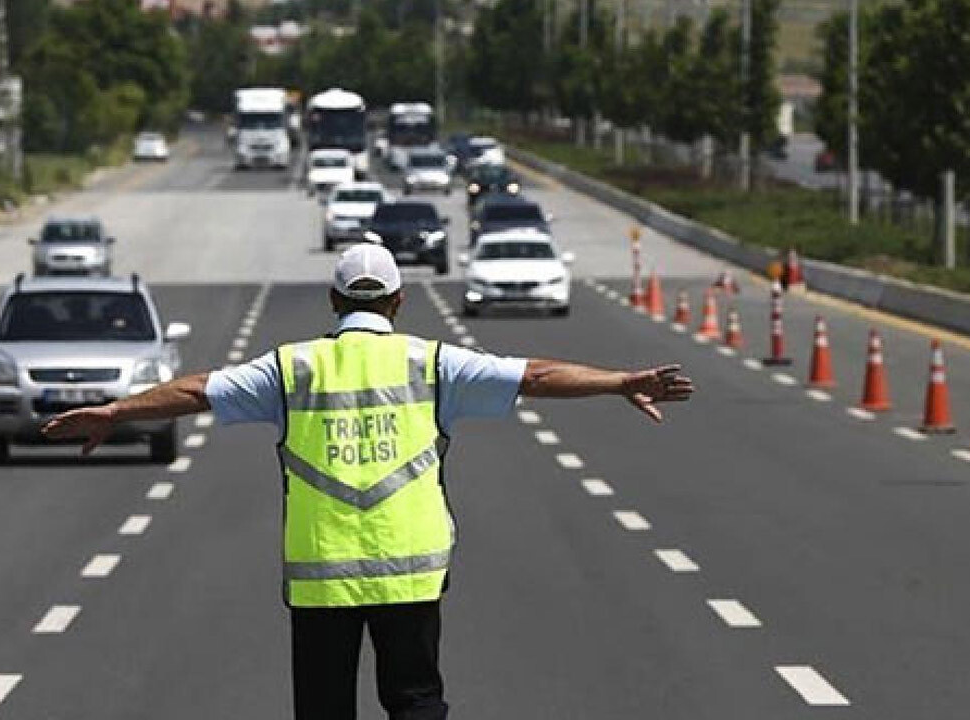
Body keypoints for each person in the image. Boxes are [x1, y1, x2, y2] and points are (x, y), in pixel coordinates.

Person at [42, 244, 694, 720]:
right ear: (397, 302)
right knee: (415, 701)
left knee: (324, 710)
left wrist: (117, 410)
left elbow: (195, 390)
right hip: (409, 571)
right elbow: (535, 376)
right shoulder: (431, 362)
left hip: (322, 573)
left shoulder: (292, 368)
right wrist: (619, 382)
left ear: (332, 301)